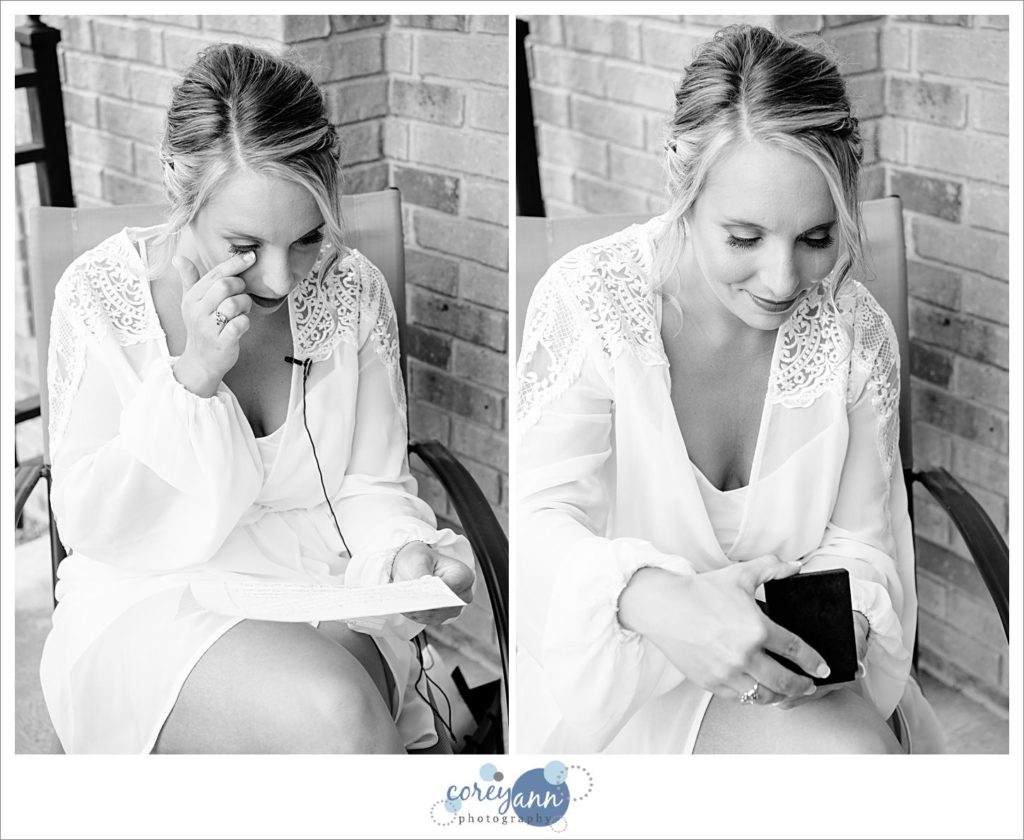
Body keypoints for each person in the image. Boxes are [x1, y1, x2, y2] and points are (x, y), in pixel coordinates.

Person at [516, 24, 943, 754]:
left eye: (816, 238)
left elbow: (862, 546)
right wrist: (661, 601)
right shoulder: (589, 303)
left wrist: (845, 624)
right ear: (680, 182)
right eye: (743, 238)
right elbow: (536, 527)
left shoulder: (855, 333)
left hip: (789, 675)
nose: (782, 282)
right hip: (618, 675)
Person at [40, 43, 475, 754]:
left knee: (344, 719)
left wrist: (402, 557)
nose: (280, 278)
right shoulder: (99, 296)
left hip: (321, 585)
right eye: (245, 244)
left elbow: (370, 485)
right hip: (155, 594)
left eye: (305, 238)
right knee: (338, 713)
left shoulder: (352, 288)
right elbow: (87, 519)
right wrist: (191, 380)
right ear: (181, 188)